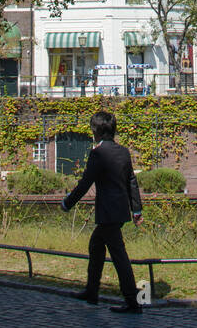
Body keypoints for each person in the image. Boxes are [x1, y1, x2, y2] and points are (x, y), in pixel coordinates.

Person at [61, 109, 144, 315]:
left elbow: (85, 183)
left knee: (119, 255)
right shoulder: (123, 152)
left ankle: (132, 301)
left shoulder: (98, 153)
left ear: (96, 132)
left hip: (107, 213)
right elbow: (131, 182)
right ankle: (92, 291)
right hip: (119, 211)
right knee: (96, 246)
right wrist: (136, 209)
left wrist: (67, 203)